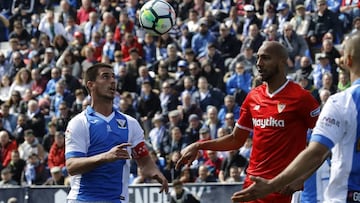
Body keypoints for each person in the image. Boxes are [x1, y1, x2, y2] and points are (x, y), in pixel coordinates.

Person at [176, 41, 320, 203]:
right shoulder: (253, 97)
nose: (258, 63)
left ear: (282, 61)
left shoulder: (302, 98)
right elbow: (236, 139)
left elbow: (325, 146)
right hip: (253, 186)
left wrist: (302, 177)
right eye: (258, 58)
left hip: (283, 188)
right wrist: (200, 145)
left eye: (265, 58)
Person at [227, 29, 360, 203]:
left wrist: (272, 185)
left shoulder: (341, 102)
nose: (259, 63)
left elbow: (316, 152)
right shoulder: (254, 96)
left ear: (347, 60)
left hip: (347, 195)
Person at [65, 63, 168, 202]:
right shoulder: (79, 123)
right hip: (83, 199)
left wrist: (155, 172)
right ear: (91, 85)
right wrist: (105, 157)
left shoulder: (131, 123)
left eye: (113, 77)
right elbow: (71, 166)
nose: (112, 81)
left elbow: (144, 160)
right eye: (105, 77)